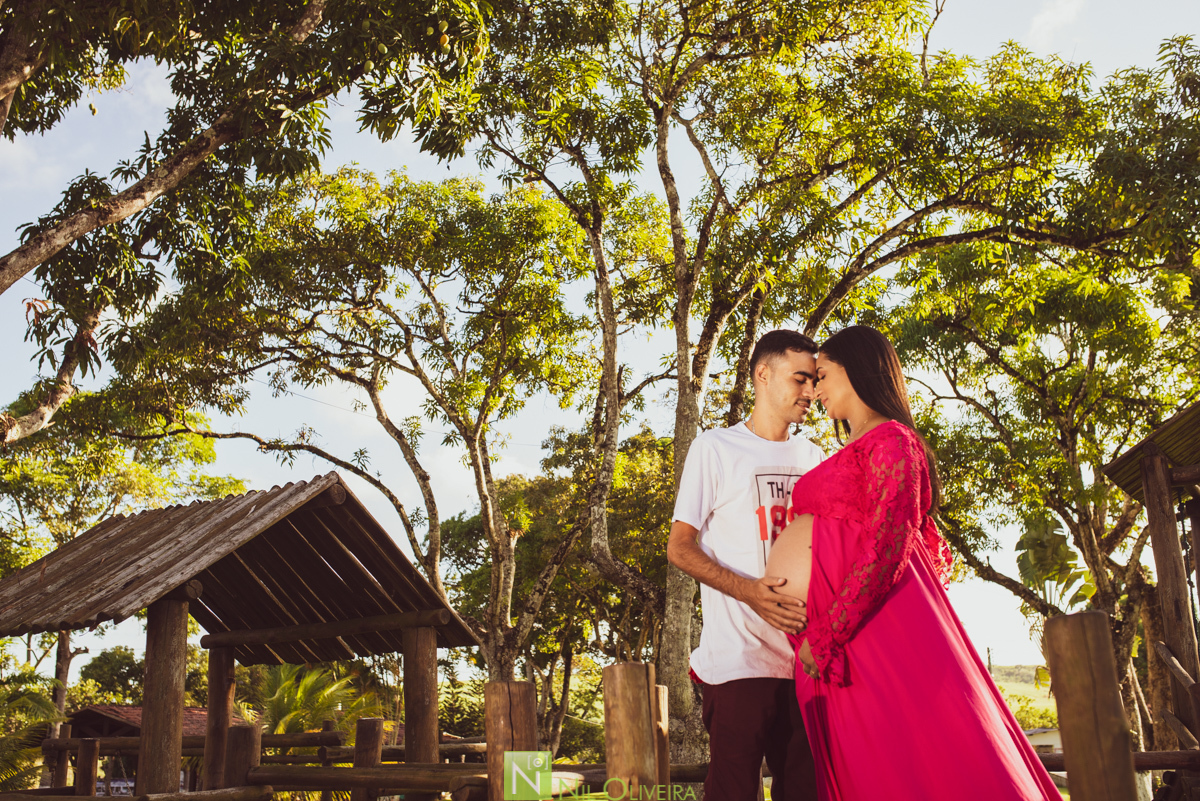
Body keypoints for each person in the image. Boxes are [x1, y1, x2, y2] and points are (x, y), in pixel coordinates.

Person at [765, 326, 1059, 800]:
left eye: (821, 375)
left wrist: (828, 634)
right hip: (841, 640)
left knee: (911, 761)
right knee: (870, 769)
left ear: (856, 369)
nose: (815, 389)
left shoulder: (892, 439)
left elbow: (890, 544)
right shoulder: (857, 447)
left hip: (861, 634)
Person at [667, 329, 824, 801]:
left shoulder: (815, 457)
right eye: (800, 379)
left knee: (806, 791)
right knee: (733, 792)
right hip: (738, 661)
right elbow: (679, 548)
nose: (811, 392)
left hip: (803, 662)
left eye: (815, 381)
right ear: (762, 374)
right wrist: (750, 591)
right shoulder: (715, 448)